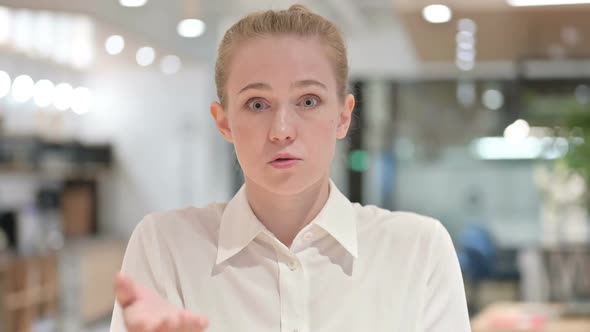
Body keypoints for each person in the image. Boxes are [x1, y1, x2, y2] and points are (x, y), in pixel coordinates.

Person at [110, 4, 471, 332]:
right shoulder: (164, 245)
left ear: (343, 116)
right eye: (256, 104)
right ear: (223, 123)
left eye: (308, 101)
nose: (282, 131)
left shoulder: (418, 250)